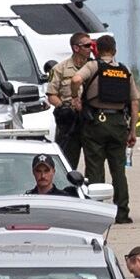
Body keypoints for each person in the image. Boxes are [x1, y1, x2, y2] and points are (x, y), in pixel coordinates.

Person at [81, 35, 139, 224]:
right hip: (118, 123)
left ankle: (98, 212)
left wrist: (75, 97)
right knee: (118, 171)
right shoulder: (124, 70)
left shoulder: (93, 66)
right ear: (114, 51)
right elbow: (134, 101)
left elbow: (75, 79)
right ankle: (122, 212)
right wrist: (132, 131)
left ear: (97, 50)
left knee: (95, 168)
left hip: (97, 121)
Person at [46, 32, 98, 175]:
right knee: (67, 162)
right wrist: (64, 107)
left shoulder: (95, 67)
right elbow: (52, 95)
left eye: (92, 45)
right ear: (76, 48)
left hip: (90, 119)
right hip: (70, 120)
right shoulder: (60, 69)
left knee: (94, 162)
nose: (91, 49)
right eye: (87, 46)